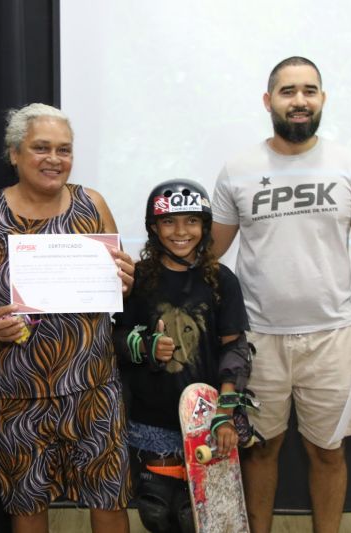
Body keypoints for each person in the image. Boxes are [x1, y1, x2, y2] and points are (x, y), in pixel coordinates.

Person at [210, 56, 351, 533]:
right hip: (258, 339)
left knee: (327, 452)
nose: (300, 100)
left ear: (322, 100)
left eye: (309, 91)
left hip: (332, 338)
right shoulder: (238, 169)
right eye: (288, 91)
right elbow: (207, 254)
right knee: (260, 448)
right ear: (269, 101)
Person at [0, 103, 135, 533]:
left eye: (64, 150)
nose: (55, 159)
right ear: (15, 154)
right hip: (15, 392)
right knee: (27, 505)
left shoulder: (93, 204)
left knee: (110, 498)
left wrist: (124, 279)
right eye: (41, 148)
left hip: (93, 386)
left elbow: (118, 282)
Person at [113, 179, 259, 533]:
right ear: (153, 227)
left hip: (207, 419)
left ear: (205, 227)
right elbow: (115, 337)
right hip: (153, 417)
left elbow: (235, 349)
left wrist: (225, 413)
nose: (181, 231)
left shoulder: (222, 280)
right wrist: (145, 346)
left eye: (191, 221)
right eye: (169, 222)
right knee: (158, 511)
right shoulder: (138, 278)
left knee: (194, 516)